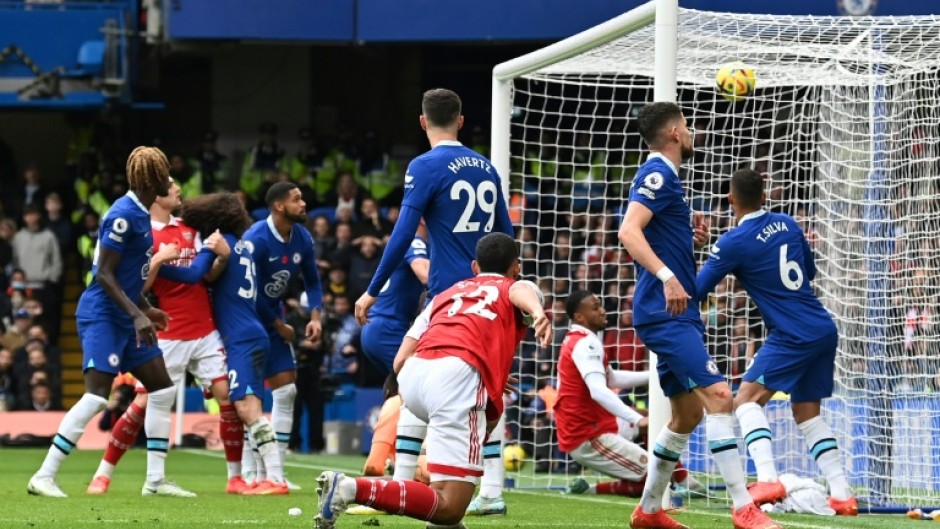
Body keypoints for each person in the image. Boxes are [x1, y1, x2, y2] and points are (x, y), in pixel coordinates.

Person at [315, 232, 551, 529]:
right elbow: (520, 292)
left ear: (475, 267)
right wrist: (539, 311)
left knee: (445, 510)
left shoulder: (445, 293)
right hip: (455, 379)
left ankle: (412, 485)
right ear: (516, 267)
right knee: (450, 506)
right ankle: (350, 488)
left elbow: (401, 359)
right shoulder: (513, 285)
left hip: (414, 375)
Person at [618, 103, 780, 529]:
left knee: (687, 416)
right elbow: (628, 231)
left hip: (674, 311)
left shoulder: (669, 178)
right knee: (721, 398)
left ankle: (649, 511)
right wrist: (670, 275)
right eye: (687, 127)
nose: (691, 134)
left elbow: (649, 231)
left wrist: (685, 240)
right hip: (665, 311)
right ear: (673, 132)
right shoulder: (657, 173)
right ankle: (744, 507)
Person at [353, 89, 514, 515]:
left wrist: (372, 288)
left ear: (422, 122)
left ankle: (417, 486)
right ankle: (418, 485)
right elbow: (505, 236)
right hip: (489, 295)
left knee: (415, 380)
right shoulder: (486, 167)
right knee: (457, 390)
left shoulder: (424, 166)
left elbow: (405, 232)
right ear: (461, 121)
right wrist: (510, 290)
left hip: (449, 299)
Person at [695, 168, 856, 515]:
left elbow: (696, 291)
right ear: (765, 196)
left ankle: (767, 478)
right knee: (806, 412)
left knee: (745, 401)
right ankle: (842, 494)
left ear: (730, 200)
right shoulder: (788, 223)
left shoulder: (732, 241)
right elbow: (808, 272)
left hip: (791, 333)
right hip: (822, 328)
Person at [27, 146, 182, 498]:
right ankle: (44, 475)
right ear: (152, 178)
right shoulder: (123, 215)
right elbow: (105, 276)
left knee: (162, 388)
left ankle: (155, 482)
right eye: (165, 174)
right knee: (97, 397)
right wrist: (137, 314)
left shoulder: (141, 213)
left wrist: (146, 307)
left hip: (126, 313)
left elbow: (127, 277)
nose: (170, 180)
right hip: (102, 314)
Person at [85, 178, 245, 496]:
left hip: (204, 329)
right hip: (169, 332)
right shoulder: (145, 235)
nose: (178, 189)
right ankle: (103, 474)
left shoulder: (191, 227)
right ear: (157, 195)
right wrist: (158, 261)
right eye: (171, 186)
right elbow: (138, 289)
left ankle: (235, 478)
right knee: (145, 402)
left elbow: (206, 275)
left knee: (227, 396)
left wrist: (223, 258)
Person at [181, 192, 288, 495]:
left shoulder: (217, 242)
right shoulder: (240, 246)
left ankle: (276, 479)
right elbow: (215, 279)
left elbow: (197, 277)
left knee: (246, 407)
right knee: (247, 406)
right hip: (249, 333)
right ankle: (255, 477)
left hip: (241, 337)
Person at [554, 291, 704, 498]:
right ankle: (592, 489)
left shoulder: (581, 340)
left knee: (654, 422)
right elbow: (598, 391)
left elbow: (612, 378)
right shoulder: (585, 344)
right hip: (587, 435)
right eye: (596, 307)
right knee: (657, 476)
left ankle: (688, 483)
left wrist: (652, 375)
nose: (603, 310)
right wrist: (636, 419)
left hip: (599, 423)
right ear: (579, 317)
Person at [241, 181, 323, 488]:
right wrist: (279, 325)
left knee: (287, 391)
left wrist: (316, 317)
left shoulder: (301, 236)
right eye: (296, 199)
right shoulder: (256, 240)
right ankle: (251, 472)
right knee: (252, 396)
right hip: (247, 320)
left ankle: (276, 471)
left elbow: (313, 282)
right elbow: (248, 291)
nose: (303, 204)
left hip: (274, 319)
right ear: (278, 206)